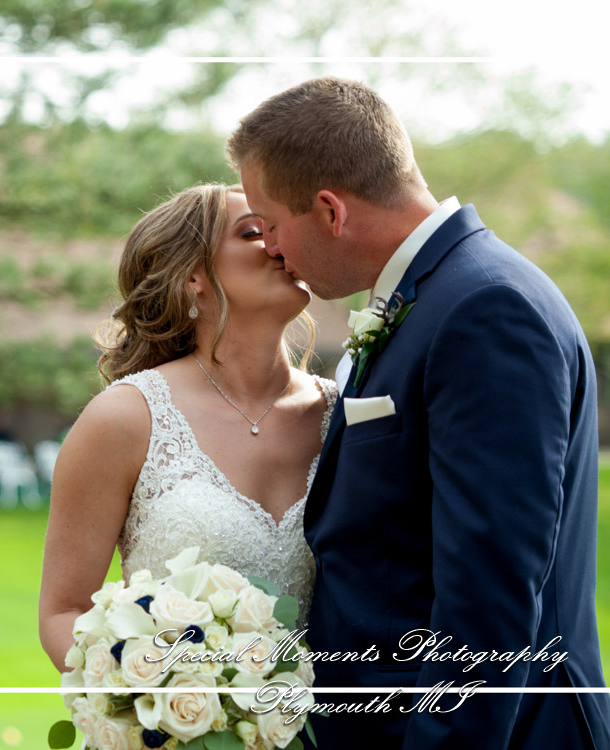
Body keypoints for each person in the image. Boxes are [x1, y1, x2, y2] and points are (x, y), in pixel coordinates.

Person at [229, 76, 608, 747]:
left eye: (272, 226)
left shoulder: (486, 310)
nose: (273, 250)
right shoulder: (433, 296)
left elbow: (490, 587)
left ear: (329, 210)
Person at [38, 183, 334, 673]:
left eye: (282, 227)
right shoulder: (125, 418)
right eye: (256, 231)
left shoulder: (344, 412)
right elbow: (64, 611)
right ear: (192, 276)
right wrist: (167, 698)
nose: (281, 244)